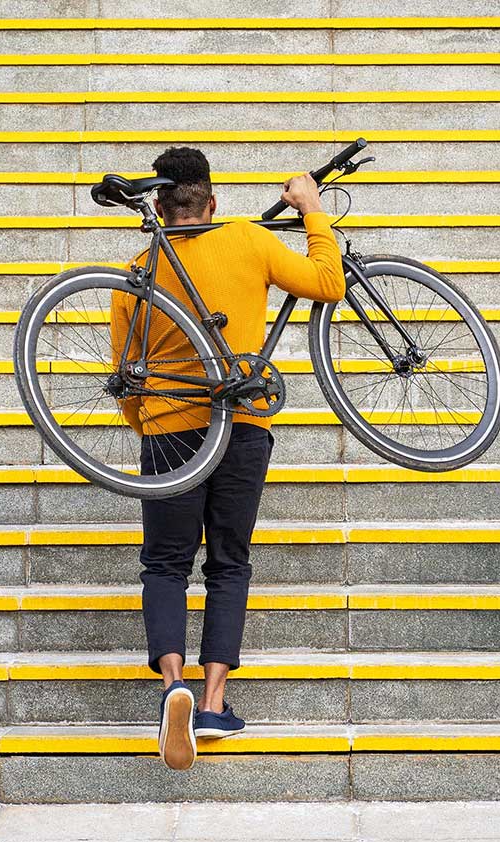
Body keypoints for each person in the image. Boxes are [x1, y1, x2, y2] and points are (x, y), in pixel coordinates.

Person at [108, 147, 345, 771]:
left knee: (165, 563)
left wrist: (150, 425)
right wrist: (312, 208)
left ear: (160, 206)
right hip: (241, 426)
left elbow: (125, 374)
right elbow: (329, 282)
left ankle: (173, 688)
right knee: (229, 563)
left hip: (169, 430)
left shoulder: (138, 270)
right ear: (211, 202)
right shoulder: (246, 238)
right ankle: (213, 703)